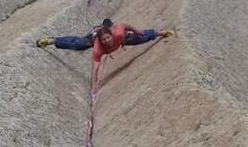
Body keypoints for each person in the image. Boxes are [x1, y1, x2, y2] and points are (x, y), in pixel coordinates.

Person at [36, 19, 174, 94]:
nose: (107, 41)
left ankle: (162, 33)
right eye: (104, 40)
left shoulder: (118, 33)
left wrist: (137, 30)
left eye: (108, 38)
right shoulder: (98, 47)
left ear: (111, 35)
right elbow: (95, 68)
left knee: (143, 37)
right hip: (92, 38)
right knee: (77, 44)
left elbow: (125, 25)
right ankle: (52, 40)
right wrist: (94, 86)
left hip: (122, 40)